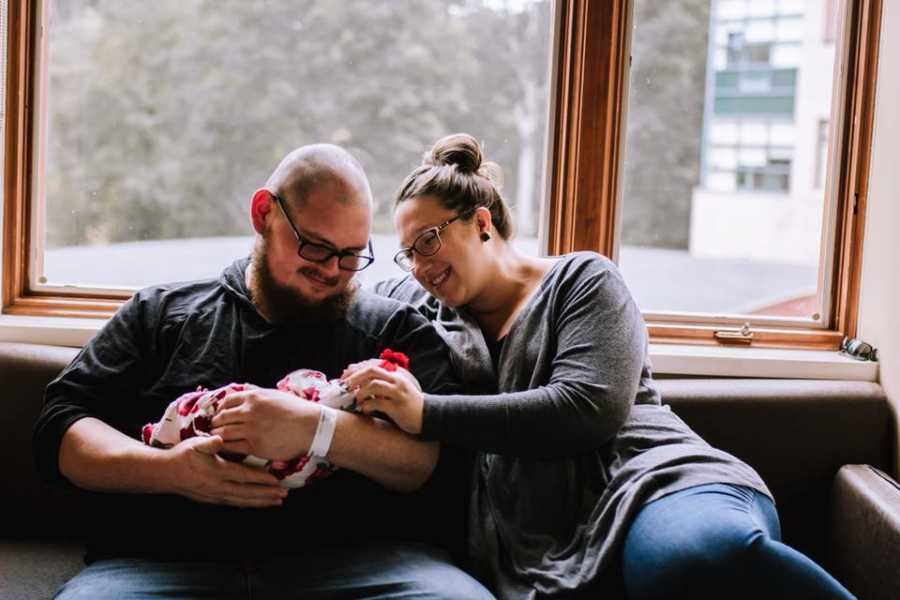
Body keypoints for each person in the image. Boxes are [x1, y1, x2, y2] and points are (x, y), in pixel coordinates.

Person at [342, 133, 857, 599]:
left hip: (649, 481)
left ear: (481, 222)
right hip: (535, 533)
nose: (419, 264)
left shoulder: (583, 279)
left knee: (693, 559)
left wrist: (426, 413)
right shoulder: (422, 307)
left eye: (428, 240)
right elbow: (342, 296)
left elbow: (586, 407)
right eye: (407, 252)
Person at [32, 144, 493, 599]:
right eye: (315, 248)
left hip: (365, 566)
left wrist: (319, 429)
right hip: (159, 566)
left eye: (352, 255)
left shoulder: (394, 330)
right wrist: (168, 470)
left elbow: (445, 467)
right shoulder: (161, 314)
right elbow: (59, 430)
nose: (333, 272)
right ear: (263, 214)